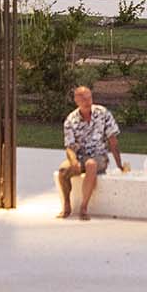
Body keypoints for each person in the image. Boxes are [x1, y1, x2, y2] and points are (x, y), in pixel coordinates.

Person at [58, 85, 126, 220]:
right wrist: (73, 161)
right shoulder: (71, 120)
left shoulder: (103, 113)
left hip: (98, 156)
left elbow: (113, 141)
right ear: (76, 101)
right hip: (79, 156)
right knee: (63, 171)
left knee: (91, 164)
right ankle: (66, 204)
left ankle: (84, 207)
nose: (88, 101)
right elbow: (69, 146)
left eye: (89, 98)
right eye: (83, 99)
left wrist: (119, 165)